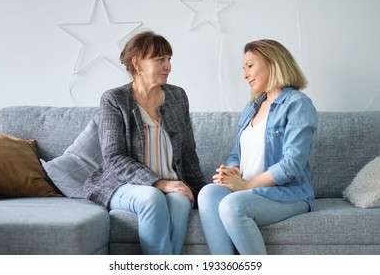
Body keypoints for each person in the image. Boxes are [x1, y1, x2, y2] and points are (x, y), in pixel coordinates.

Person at [82, 31, 205, 255]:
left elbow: (188, 153)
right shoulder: (114, 99)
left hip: (171, 183)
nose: (168, 65)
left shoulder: (178, 96)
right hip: (122, 184)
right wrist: (159, 183)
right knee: (151, 197)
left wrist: (201, 193)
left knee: (180, 201)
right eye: (160, 59)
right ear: (137, 63)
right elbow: (114, 157)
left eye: (169, 59)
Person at [198, 39, 318, 255]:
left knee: (231, 206)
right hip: (249, 188)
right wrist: (234, 170)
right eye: (243, 69)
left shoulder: (298, 104)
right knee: (207, 193)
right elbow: (237, 153)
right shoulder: (251, 108)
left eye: (250, 66)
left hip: (288, 193)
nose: (245, 75)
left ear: (273, 62)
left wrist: (246, 185)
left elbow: (291, 166)